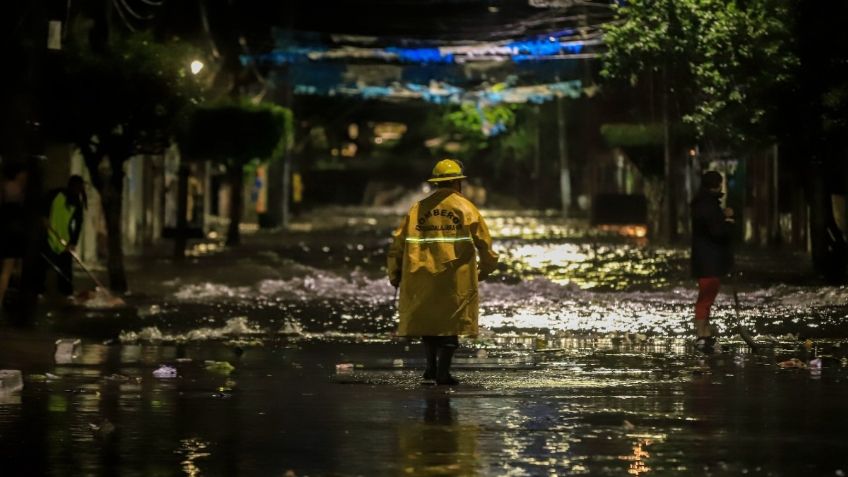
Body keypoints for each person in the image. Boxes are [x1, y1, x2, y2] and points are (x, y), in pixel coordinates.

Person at [387, 159, 498, 385]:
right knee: (449, 328)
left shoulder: (417, 209)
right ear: (458, 182)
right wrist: (484, 270)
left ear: (436, 183)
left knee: (429, 325)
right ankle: (442, 374)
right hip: (454, 279)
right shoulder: (466, 208)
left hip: (420, 277)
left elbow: (397, 245)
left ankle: (430, 369)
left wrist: (395, 274)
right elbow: (485, 246)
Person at [690, 171, 735, 352]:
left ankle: (705, 334)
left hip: (705, 259)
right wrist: (729, 220)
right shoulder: (708, 205)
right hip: (710, 260)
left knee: (706, 299)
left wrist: (721, 215)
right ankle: (702, 336)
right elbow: (717, 231)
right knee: (706, 299)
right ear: (717, 184)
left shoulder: (702, 203)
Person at [41, 175, 86, 296]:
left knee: (65, 275)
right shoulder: (56, 195)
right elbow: (44, 206)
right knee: (42, 270)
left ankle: (67, 298)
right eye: (77, 187)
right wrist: (44, 217)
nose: (78, 191)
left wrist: (73, 243)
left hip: (64, 242)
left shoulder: (77, 203)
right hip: (49, 237)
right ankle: (40, 294)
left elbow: (78, 224)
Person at [0, 162, 29, 308]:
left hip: (10, 231)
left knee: (8, 269)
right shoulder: (15, 189)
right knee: (8, 269)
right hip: (12, 232)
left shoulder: (6, 187)